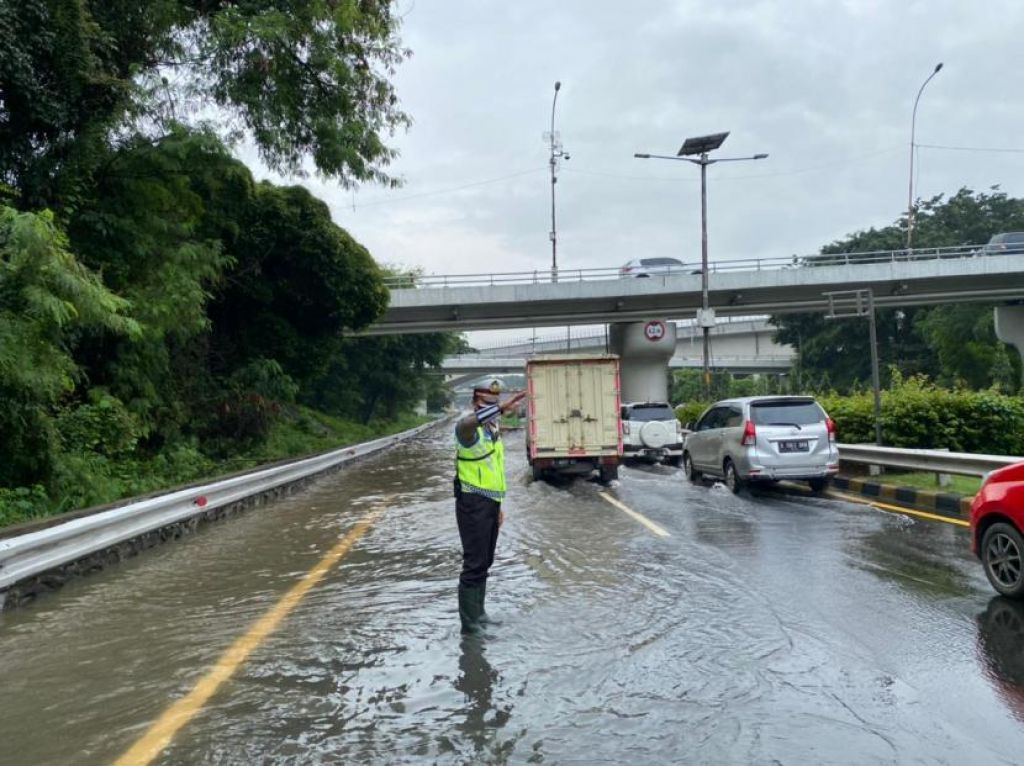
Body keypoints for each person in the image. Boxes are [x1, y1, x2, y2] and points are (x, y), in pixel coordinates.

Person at [454, 380, 527, 635]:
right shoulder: (468, 428)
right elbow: (466, 424)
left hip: (490, 501)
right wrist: (500, 409)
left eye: (497, 400)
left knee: (486, 560)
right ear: (476, 400)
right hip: (472, 500)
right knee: (474, 562)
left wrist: (498, 507)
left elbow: (493, 469)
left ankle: (480, 613)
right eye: (489, 400)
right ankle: (469, 624)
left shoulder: (492, 429)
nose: (494, 403)